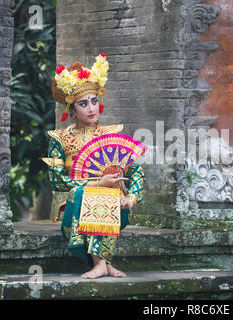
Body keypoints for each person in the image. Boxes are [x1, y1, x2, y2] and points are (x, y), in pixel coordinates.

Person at [42, 53, 145, 279]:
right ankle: (102, 263)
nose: (91, 108)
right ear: (72, 109)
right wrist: (98, 182)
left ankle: (101, 264)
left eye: (94, 101)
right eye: (83, 103)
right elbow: (58, 181)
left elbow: (137, 173)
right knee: (87, 191)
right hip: (74, 212)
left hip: (116, 211)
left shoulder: (112, 137)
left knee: (108, 194)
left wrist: (131, 199)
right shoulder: (59, 139)